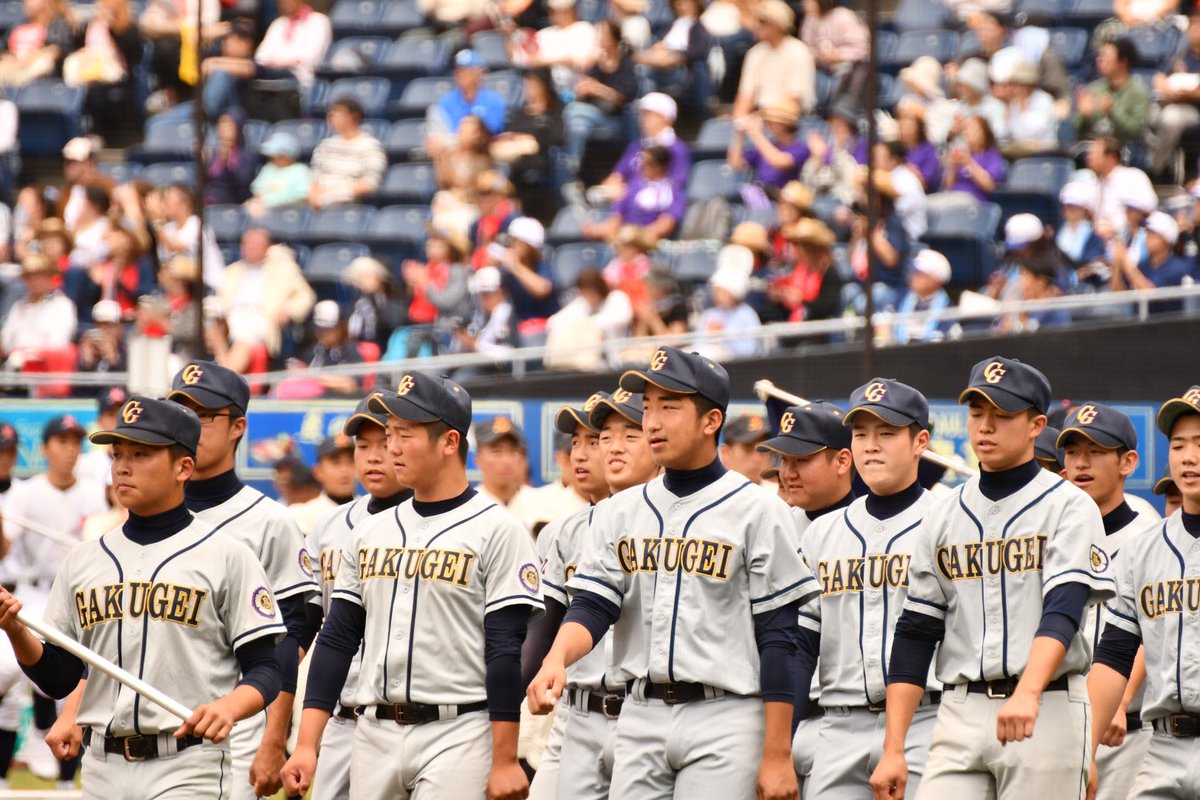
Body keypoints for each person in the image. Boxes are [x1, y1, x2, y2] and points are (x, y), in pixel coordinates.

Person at [527, 346, 818, 799]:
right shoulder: (619, 511)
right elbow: (593, 604)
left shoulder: (758, 509)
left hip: (726, 715)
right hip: (639, 713)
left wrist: (778, 754)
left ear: (711, 421)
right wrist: (556, 658)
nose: (653, 422)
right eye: (647, 407)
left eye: (669, 406)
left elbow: (779, 638)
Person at [0, 396, 286, 797]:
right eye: (117, 454)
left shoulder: (228, 555)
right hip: (102, 765)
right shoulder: (84, 560)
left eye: (141, 453)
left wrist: (231, 706)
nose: (122, 466)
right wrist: (15, 630)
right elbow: (59, 676)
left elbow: (265, 669)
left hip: (187, 762)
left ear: (183, 467)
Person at [281, 373, 544, 799]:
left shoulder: (498, 529)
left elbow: (504, 650)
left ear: (449, 442)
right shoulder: (369, 532)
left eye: (405, 434)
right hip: (373, 731)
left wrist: (505, 757)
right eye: (389, 434)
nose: (392, 447)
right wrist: (308, 744)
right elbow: (336, 638)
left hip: (458, 730)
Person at [870, 357, 1115, 800]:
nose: (985, 426)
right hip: (959, 706)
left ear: (1036, 424)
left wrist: (1028, 690)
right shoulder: (942, 511)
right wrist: (894, 747)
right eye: (977, 412)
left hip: (1049, 704)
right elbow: (916, 631)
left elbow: (1064, 610)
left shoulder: (1069, 505)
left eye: (1002, 415)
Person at [165, 361, 317, 800]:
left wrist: (273, 740)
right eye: (181, 412)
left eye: (204, 414)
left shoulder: (270, 522)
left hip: (236, 719)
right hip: (152, 710)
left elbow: (289, 639)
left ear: (238, 426)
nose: (189, 426)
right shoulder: (146, 517)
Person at [792, 380, 940, 798]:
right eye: (860, 434)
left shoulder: (948, 521)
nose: (871, 446)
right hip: (838, 725)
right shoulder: (822, 533)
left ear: (920, 441)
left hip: (929, 719)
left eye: (887, 433)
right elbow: (801, 644)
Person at [1087, 386, 1200, 799]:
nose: (1188, 456)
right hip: (1162, 746)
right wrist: (1087, 752)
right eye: (1178, 444)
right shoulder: (1143, 549)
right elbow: (1114, 653)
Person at [305, 396, 411, 799]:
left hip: (414, 716)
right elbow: (309, 625)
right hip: (341, 713)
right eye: (363, 446)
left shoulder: (445, 523)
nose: (373, 457)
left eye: (385, 442)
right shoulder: (329, 527)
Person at [1056, 402, 1160, 800]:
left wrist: (1121, 701)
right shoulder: (1054, 530)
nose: (1081, 463)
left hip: (1125, 731)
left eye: (1096, 452)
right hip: (1059, 720)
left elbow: (1152, 632)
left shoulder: (1147, 532)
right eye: (1073, 451)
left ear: (1127, 462)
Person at [756, 400, 856, 796]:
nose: (787, 471)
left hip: (844, 718)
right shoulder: (770, 526)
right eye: (783, 458)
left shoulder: (873, 528)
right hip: (773, 720)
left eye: (802, 458)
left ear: (842, 461)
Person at [1, 414, 106, 788]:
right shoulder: (27, 492)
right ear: (45, 448)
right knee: (9, 673)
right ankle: (37, 729)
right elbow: (4, 549)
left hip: (81, 595)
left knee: (71, 688)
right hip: (33, 591)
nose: (70, 450)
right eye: (61, 442)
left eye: (75, 442)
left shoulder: (95, 493)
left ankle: (64, 781)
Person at [523, 392, 616, 800]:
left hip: (643, 709)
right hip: (576, 708)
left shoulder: (657, 522)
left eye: (593, 441)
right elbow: (539, 634)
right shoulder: (561, 532)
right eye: (574, 442)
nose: (580, 454)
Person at [203, 0, 330, 119]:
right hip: (268, 72)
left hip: (296, 77)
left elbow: (307, 59)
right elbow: (261, 58)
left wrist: (276, 60)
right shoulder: (279, 23)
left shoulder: (319, 21)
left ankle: (205, 114)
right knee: (224, 74)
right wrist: (279, 61)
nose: (282, 3)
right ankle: (207, 112)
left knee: (231, 70)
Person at [215, 226, 316, 370]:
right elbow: (219, 300)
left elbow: (306, 295)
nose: (250, 247)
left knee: (243, 339)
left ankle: (223, 377)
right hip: (229, 317)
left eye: (255, 244)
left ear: (267, 247)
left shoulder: (283, 269)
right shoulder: (231, 271)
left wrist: (289, 310)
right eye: (246, 244)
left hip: (262, 318)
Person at [562, 19, 639, 173]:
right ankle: (572, 167)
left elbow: (623, 97)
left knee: (574, 111)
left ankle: (569, 170)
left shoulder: (625, 64)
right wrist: (583, 88)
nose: (600, 37)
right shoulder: (596, 63)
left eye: (604, 34)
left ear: (614, 37)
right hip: (591, 116)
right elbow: (583, 85)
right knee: (578, 125)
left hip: (615, 119)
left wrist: (596, 89)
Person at [496, 68, 563, 222]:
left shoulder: (556, 112)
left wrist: (531, 139)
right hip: (516, 171)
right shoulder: (519, 115)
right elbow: (507, 135)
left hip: (544, 168)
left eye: (535, 83)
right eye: (528, 84)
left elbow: (558, 138)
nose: (530, 88)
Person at [585, 144, 686, 244]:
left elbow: (665, 226)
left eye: (647, 163)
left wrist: (635, 237)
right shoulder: (632, 187)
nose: (642, 166)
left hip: (651, 245)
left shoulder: (674, 192)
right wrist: (596, 230)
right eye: (641, 162)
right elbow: (615, 221)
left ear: (659, 167)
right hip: (624, 241)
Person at [600, 92, 691, 201]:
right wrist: (607, 190)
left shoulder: (677, 149)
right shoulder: (636, 147)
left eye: (648, 114)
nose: (642, 119)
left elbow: (675, 186)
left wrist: (628, 192)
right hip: (628, 207)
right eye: (641, 114)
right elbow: (615, 177)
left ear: (666, 118)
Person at [733, 0, 815, 117]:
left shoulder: (798, 51)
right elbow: (746, 94)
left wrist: (761, 116)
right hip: (760, 114)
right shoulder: (755, 53)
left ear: (777, 24)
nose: (758, 26)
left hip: (792, 119)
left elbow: (794, 99)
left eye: (763, 22)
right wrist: (739, 119)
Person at [490, 216, 559, 346]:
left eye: (516, 241)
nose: (511, 244)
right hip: (515, 327)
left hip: (544, 328)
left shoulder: (543, 264)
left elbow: (542, 289)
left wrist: (516, 267)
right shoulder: (507, 270)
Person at [0, 254, 77, 367]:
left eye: (40, 276)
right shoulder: (19, 307)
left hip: (46, 367)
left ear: (50, 277)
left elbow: (59, 342)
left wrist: (27, 354)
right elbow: (7, 341)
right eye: (29, 277)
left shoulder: (62, 305)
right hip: (15, 365)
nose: (34, 281)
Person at [309, 98, 386, 210]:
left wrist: (333, 195)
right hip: (319, 202)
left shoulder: (370, 146)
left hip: (349, 205)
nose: (331, 118)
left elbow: (370, 183)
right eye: (330, 115)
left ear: (354, 117)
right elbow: (315, 177)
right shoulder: (326, 145)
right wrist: (314, 197)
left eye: (337, 114)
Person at [1111, 211, 1196, 312]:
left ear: (1166, 239)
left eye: (1153, 234)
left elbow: (1151, 294)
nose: (1147, 238)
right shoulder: (1142, 265)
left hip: (1166, 324)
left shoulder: (1176, 267)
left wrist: (1127, 263)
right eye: (1147, 233)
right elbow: (1118, 291)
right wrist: (1117, 263)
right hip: (1139, 324)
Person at [428, 49, 507, 155]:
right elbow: (437, 141)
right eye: (458, 71)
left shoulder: (494, 101)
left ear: (479, 72)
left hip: (486, 157)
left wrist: (455, 142)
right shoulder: (445, 102)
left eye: (467, 70)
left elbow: (488, 137)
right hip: (454, 158)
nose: (461, 75)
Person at [1074, 38, 1151, 146]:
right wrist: (1084, 116)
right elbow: (1076, 131)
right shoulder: (1093, 89)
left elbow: (1135, 132)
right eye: (1100, 56)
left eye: (1106, 57)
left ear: (1122, 62)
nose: (1100, 60)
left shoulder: (1138, 92)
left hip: (1123, 148)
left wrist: (1112, 112)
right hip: (1092, 147)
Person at [1150, 11, 1200, 176]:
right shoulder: (1180, 54)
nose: (1196, 31)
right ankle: (1159, 157)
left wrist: (1185, 94)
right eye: (1194, 27)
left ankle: (1156, 170)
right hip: (1170, 101)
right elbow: (1159, 79)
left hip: (1193, 109)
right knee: (1142, 114)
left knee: (1170, 118)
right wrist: (1168, 90)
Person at [727, 98, 808, 190]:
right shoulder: (767, 145)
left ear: (787, 124)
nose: (770, 124)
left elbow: (779, 162)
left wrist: (757, 134)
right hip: (761, 196)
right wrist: (739, 136)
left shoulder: (800, 148)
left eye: (775, 121)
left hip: (783, 198)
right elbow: (735, 164)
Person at [154, 183, 223, 289]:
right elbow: (165, 263)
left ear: (185, 204)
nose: (164, 205)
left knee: (177, 265)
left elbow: (174, 247)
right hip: (184, 287)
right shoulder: (168, 228)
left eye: (168, 201)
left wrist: (157, 220)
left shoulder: (196, 223)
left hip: (208, 284)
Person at [288, 434, 357, 538]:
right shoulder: (300, 516)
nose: (345, 470)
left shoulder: (371, 512)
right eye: (336, 463)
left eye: (350, 462)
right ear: (318, 471)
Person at [697, 254, 763, 359]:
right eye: (716, 291)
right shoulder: (709, 314)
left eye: (722, 291)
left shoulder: (747, 314)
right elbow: (697, 345)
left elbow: (750, 350)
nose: (717, 295)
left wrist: (724, 336)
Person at [474, 415, 536, 523]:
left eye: (513, 451)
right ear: (478, 459)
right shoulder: (470, 507)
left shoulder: (540, 503)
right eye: (496, 452)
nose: (506, 461)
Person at [893, 249, 953, 345]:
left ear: (936, 280)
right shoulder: (900, 299)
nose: (914, 276)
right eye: (913, 271)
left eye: (920, 273)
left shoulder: (948, 309)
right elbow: (884, 325)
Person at [344, 256, 403, 350]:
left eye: (367, 276)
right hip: (359, 350)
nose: (362, 281)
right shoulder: (358, 302)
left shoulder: (391, 301)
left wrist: (374, 298)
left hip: (384, 348)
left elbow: (393, 323)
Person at [942, 116, 1005, 202]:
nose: (969, 133)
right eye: (966, 129)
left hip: (976, 201)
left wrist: (969, 163)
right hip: (953, 197)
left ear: (984, 134)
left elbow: (990, 186)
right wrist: (952, 166)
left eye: (974, 129)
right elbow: (948, 186)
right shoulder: (962, 154)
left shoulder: (992, 156)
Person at [247, 132, 312, 215]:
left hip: (289, 214)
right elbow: (257, 191)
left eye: (277, 155)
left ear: (287, 155)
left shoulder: (301, 170)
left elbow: (302, 197)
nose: (272, 158)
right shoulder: (269, 168)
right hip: (262, 212)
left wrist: (268, 201)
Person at [205, 108, 254, 205]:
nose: (223, 130)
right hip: (208, 196)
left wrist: (226, 163)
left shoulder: (247, 154)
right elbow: (205, 179)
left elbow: (242, 180)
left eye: (228, 126)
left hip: (231, 198)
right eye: (221, 125)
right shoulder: (213, 153)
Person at [719, 413, 771, 483]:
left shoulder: (777, 493)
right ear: (725, 454)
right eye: (748, 448)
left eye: (763, 449)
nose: (757, 458)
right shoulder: (709, 492)